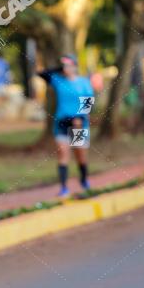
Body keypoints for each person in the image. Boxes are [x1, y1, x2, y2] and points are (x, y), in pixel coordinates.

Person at [38, 54, 94, 197]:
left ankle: (84, 180)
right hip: (62, 123)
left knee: (80, 155)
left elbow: (88, 103)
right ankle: (64, 187)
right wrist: (59, 68)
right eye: (64, 65)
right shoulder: (58, 80)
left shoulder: (83, 82)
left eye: (69, 65)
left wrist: (80, 118)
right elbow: (41, 74)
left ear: (75, 66)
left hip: (79, 124)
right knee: (63, 154)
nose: (66, 68)